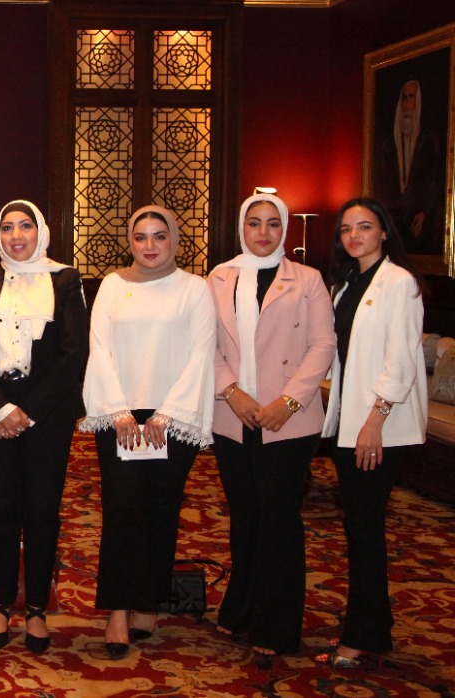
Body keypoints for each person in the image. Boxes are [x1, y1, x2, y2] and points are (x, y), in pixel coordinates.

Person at [79, 205, 215, 660]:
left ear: (174, 239)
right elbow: (99, 348)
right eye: (141, 237)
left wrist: (167, 415)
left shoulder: (194, 289)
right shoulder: (112, 285)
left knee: (160, 508)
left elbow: (201, 354)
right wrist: (118, 410)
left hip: (170, 418)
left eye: (159, 236)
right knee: (122, 509)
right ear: (130, 241)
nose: (150, 245)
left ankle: (150, 599)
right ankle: (118, 609)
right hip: (119, 414)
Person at [208, 193, 336, 661]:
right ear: (241, 228)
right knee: (244, 515)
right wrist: (232, 391)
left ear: (284, 230)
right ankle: (241, 609)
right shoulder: (218, 277)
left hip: (289, 419)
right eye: (254, 223)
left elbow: (323, 345)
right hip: (233, 415)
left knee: (279, 519)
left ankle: (278, 623)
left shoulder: (308, 279)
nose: (263, 233)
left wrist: (290, 400)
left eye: (272, 224)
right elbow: (206, 345)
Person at [0, 200, 87, 654]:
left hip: (46, 415)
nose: (16, 236)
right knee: (0, 508)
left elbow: (72, 352)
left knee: (42, 510)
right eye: (8, 227)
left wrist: (26, 412)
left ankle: (35, 609)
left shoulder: (65, 279)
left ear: (40, 231)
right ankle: (0, 604)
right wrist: (0, 409)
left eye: (25, 226)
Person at [317, 197, 427, 668]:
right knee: (359, 526)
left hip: (379, 427)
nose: (354, 236)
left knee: (364, 529)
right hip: (350, 422)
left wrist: (374, 423)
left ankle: (359, 636)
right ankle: (373, 628)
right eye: (346, 229)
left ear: (384, 232)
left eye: (364, 227)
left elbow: (401, 361)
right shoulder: (347, 284)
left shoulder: (399, 283)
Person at [372, 80, 444, 255]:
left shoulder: (429, 141)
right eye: (404, 98)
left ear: (417, 102)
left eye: (411, 97)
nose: (406, 105)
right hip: (395, 224)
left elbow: (434, 181)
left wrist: (424, 212)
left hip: (420, 224)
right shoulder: (389, 144)